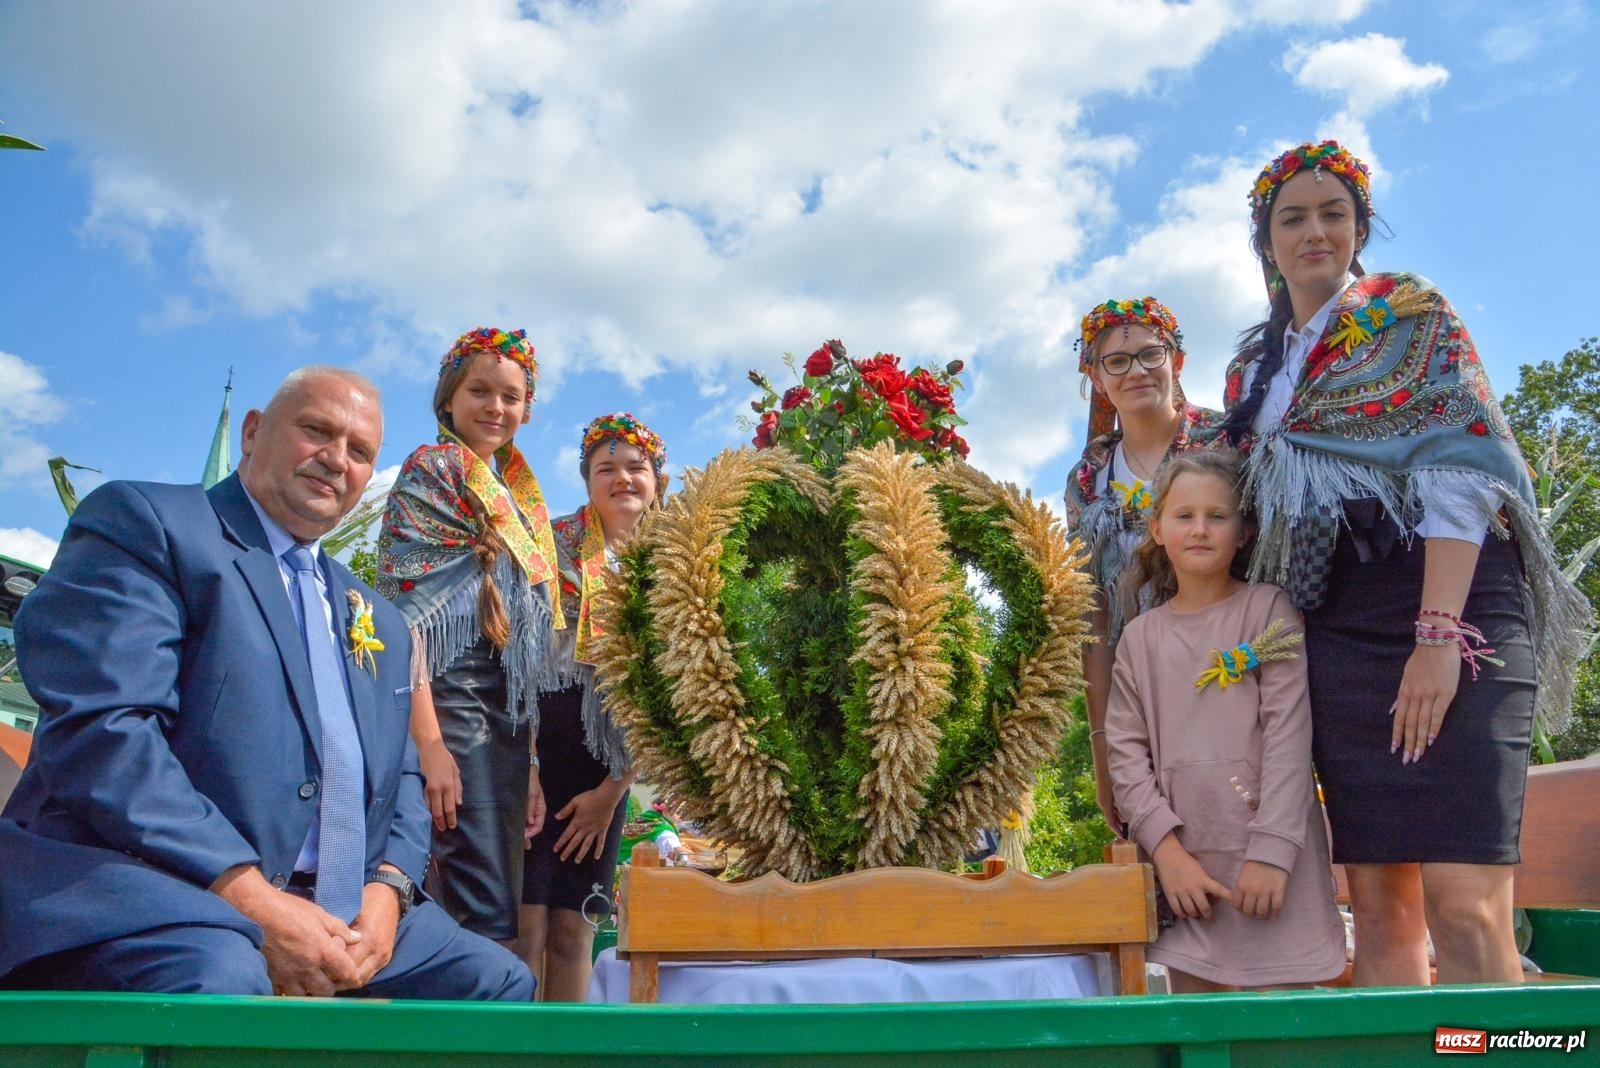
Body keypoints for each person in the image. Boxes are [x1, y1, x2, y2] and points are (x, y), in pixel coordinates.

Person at [0, 367, 532, 999]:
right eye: (316, 431)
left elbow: (405, 776)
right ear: (252, 432)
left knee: (495, 982)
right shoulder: (149, 525)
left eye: (360, 451)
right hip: (157, 887)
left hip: (339, 910)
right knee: (221, 976)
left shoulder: (379, 618)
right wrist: (253, 899)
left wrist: (388, 891)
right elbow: (105, 734)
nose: (336, 460)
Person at [1220, 140, 1590, 985]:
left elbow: (1463, 473)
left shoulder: (1414, 315)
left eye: (1333, 214)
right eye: (1293, 218)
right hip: (1334, 626)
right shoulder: (1255, 367)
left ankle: (1497, 1050)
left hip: (1452, 603)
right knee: (1382, 906)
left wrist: (1437, 636)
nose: (1315, 232)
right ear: (1265, 240)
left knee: (1465, 906)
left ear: (1359, 227)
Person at [1105, 450, 1345, 992]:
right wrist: (1166, 854)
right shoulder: (1141, 637)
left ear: (1243, 532)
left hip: (1271, 867)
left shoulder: (1268, 610)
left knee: (1283, 1030)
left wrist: (1272, 854)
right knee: (1204, 1032)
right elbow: (1125, 755)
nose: (1200, 530)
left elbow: (1289, 735)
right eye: (1184, 516)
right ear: (1157, 529)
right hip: (1189, 871)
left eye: (1218, 516)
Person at [377, 328, 562, 950]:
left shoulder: (519, 500)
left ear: (526, 409)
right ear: (448, 399)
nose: (495, 408)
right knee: (474, 900)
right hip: (449, 702)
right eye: (479, 390)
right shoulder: (430, 470)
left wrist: (532, 763)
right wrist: (428, 743)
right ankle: (455, 1039)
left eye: (511, 397)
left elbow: (525, 652)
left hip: (506, 717)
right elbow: (405, 621)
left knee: (495, 899)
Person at [518, 412, 667, 1001]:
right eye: (607, 468)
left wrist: (612, 793)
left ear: (657, 480)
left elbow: (667, 702)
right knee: (524, 927)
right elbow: (516, 660)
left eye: (637, 468)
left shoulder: (674, 567)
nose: (623, 478)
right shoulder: (546, 548)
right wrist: (525, 767)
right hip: (533, 750)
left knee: (575, 930)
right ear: (587, 481)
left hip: (606, 767)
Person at [1063, 297, 1220, 834]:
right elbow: (1094, 618)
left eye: (1151, 353)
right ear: (1094, 376)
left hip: (1236, 673)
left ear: (1177, 360)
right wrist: (1104, 747)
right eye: (1116, 361)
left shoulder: (1228, 443)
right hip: (1142, 695)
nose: (1135, 371)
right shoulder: (1089, 479)